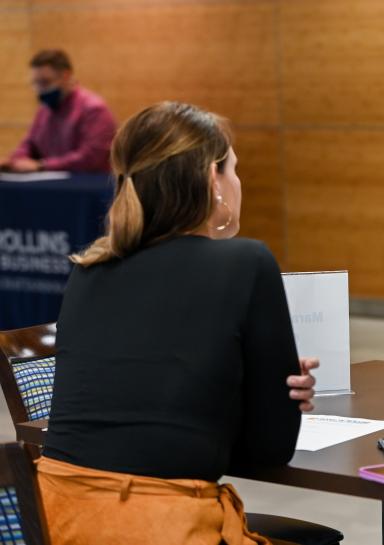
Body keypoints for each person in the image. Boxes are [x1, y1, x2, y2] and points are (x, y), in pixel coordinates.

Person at [36, 101, 315, 545]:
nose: (239, 183)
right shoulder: (246, 263)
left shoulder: (89, 269)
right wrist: (266, 395)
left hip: (58, 521)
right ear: (212, 179)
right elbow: (270, 451)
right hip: (164, 528)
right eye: (234, 170)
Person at [0, 49, 116, 173]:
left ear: (65, 76)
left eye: (45, 82)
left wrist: (43, 165)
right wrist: (13, 161)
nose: (39, 89)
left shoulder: (94, 109)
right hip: (52, 183)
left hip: (88, 186)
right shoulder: (45, 110)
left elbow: (91, 157)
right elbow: (30, 144)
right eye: (35, 83)